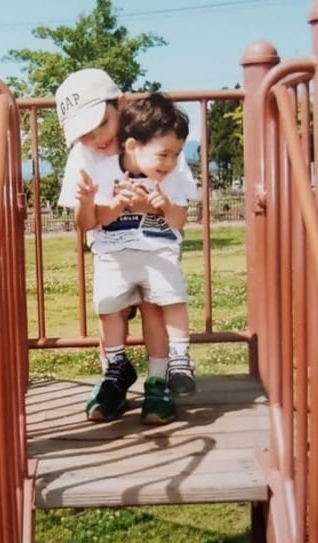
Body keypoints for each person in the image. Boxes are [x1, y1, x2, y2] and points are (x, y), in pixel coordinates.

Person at [56, 69, 196, 424]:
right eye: (84, 133)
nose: (96, 137)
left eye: (102, 123)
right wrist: (95, 203)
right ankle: (115, 374)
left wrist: (150, 206)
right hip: (111, 248)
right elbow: (84, 222)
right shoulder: (83, 157)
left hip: (155, 247)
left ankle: (159, 380)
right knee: (110, 308)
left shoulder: (158, 145)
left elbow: (178, 210)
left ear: (120, 104)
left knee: (154, 307)